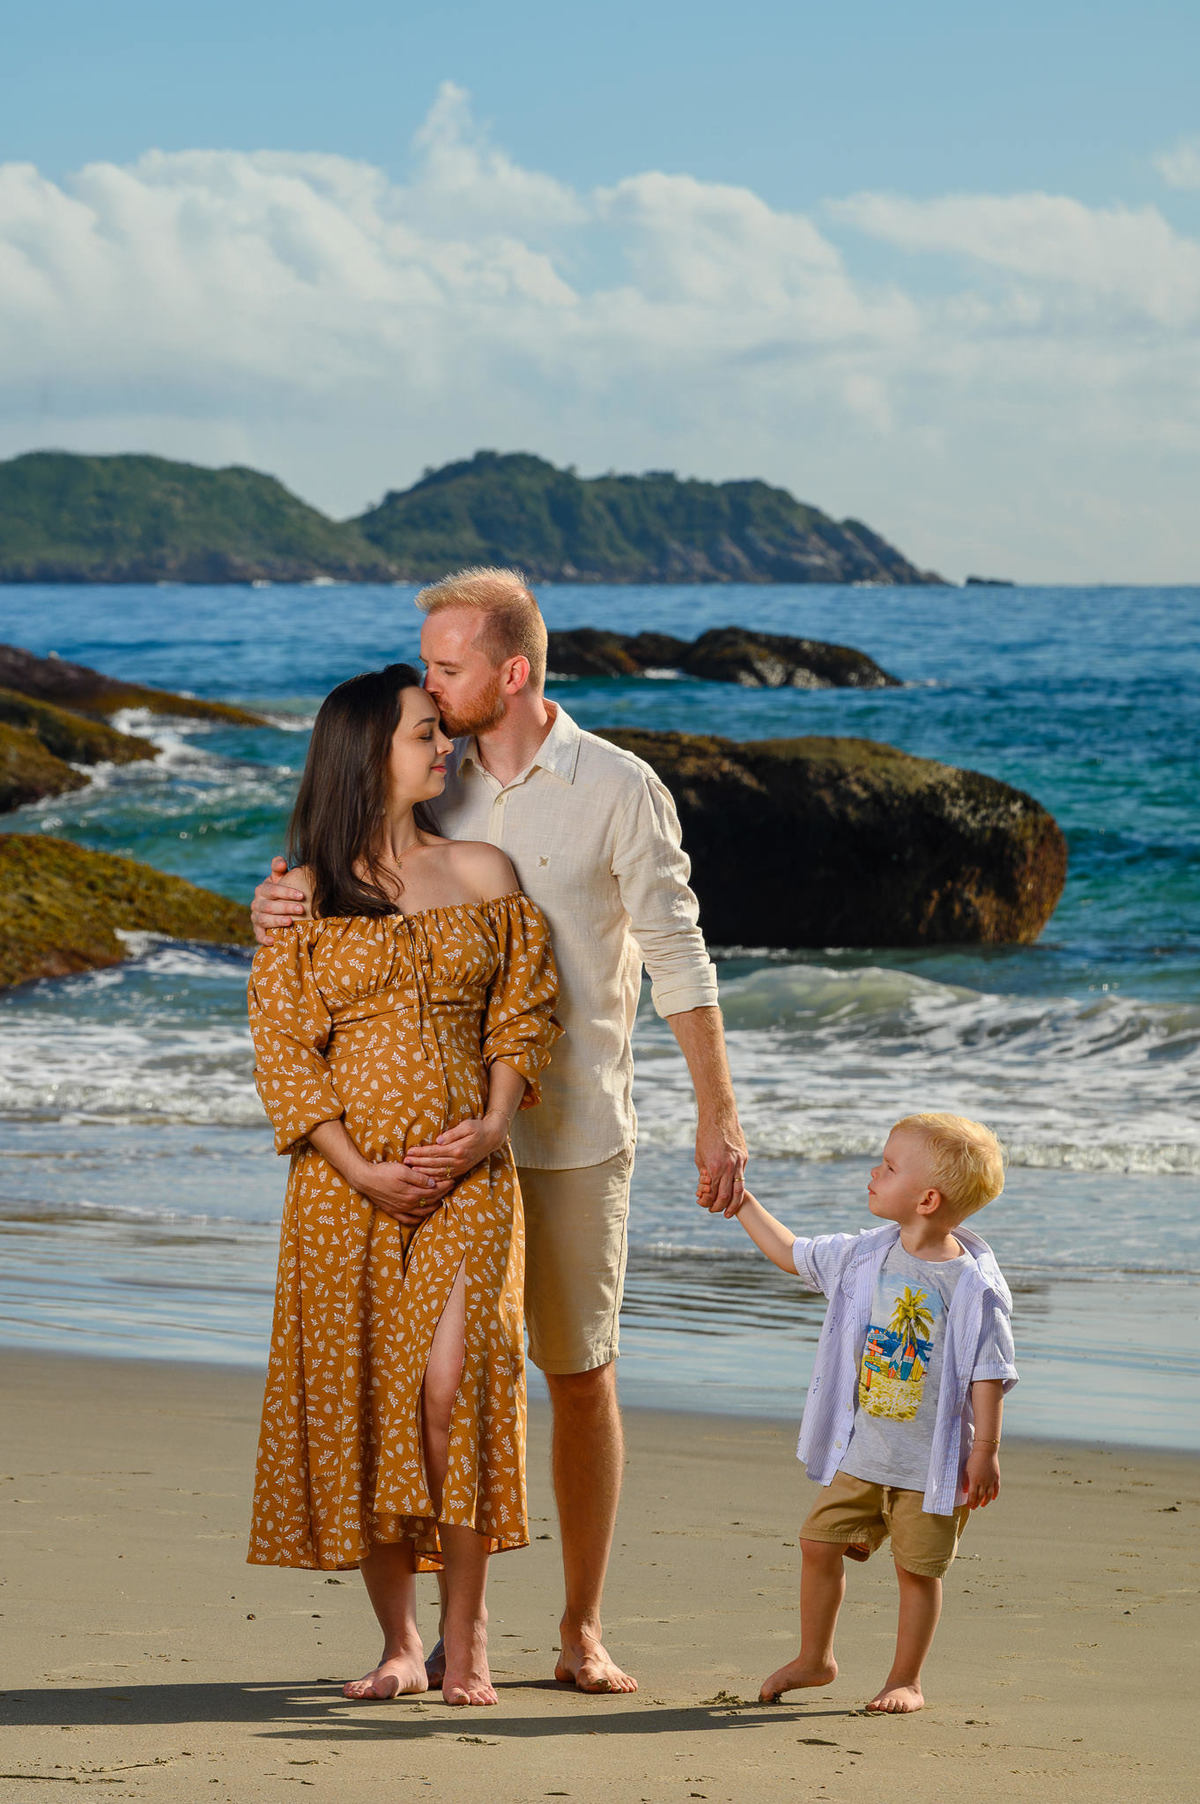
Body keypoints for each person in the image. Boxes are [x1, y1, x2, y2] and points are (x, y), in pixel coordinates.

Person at [252, 566, 747, 1695]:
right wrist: (270, 902)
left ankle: (578, 1627)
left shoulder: (618, 788)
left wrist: (717, 1113)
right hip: (400, 1157)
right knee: (424, 1385)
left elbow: (680, 956)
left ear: (509, 672)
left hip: (562, 1136)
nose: (430, 684)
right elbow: (325, 905)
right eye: (425, 674)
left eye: (447, 667)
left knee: (573, 1374)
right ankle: (431, 1636)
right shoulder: (436, 777)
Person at [246, 663, 561, 1708]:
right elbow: (285, 1052)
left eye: (442, 730)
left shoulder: (481, 868)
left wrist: (491, 1123)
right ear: (365, 753)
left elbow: (525, 1008)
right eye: (425, 734)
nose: (444, 748)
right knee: (367, 1401)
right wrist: (361, 1168)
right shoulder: (302, 898)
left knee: (451, 1394)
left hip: (469, 1179)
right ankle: (399, 1642)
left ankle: (466, 1644)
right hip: (344, 1190)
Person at [703, 1112, 1017, 1713]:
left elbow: (989, 1373)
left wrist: (986, 1451)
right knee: (818, 1544)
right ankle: (815, 1658)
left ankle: (906, 1680)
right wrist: (741, 1201)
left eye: (890, 1166)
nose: (874, 1171)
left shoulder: (974, 1286)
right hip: (862, 1452)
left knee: (917, 1573)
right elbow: (792, 1254)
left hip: (931, 1467)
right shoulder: (863, 1256)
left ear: (927, 1198)